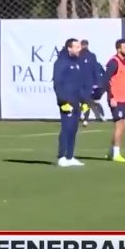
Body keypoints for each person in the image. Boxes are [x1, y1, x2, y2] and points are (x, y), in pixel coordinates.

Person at [52, 38, 92, 167]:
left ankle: (70, 156)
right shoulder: (61, 62)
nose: (80, 49)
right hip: (66, 102)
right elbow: (57, 83)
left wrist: (84, 101)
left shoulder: (77, 62)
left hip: (76, 101)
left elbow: (80, 84)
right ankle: (62, 156)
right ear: (69, 48)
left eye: (80, 47)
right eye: (77, 47)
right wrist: (62, 101)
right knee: (66, 128)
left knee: (74, 129)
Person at [104, 39, 125, 163]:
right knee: (119, 125)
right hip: (116, 99)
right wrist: (111, 97)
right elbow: (106, 80)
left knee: (124, 125)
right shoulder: (113, 62)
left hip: (124, 99)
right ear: (118, 49)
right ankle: (116, 153)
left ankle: (111, 151)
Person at [79, 39, 105, 126]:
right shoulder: (77, 56)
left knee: (86, 101)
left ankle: (85, 118)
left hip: (88, 83)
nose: (84, 46)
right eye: (82, 45)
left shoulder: (91, 56)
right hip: (79, 82)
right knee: (82, 101)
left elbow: (95, 70)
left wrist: (97, 83)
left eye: (85, 45)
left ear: (87, 45)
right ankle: (81, 116)